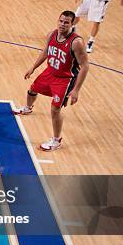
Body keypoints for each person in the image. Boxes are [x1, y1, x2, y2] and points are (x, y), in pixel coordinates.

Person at [13, 11, 89, 151]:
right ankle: (28, 108)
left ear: (72, 24)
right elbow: (46, 52)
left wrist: (76, 89)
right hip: (50, 72)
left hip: (65, 79)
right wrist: (33, 67)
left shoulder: (76, 42)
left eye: (66, 22)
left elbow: (85, 66)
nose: (62, 24)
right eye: (61, 21)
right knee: (32, 89)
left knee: (55, 109)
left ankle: (56, 140)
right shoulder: (51, 34)